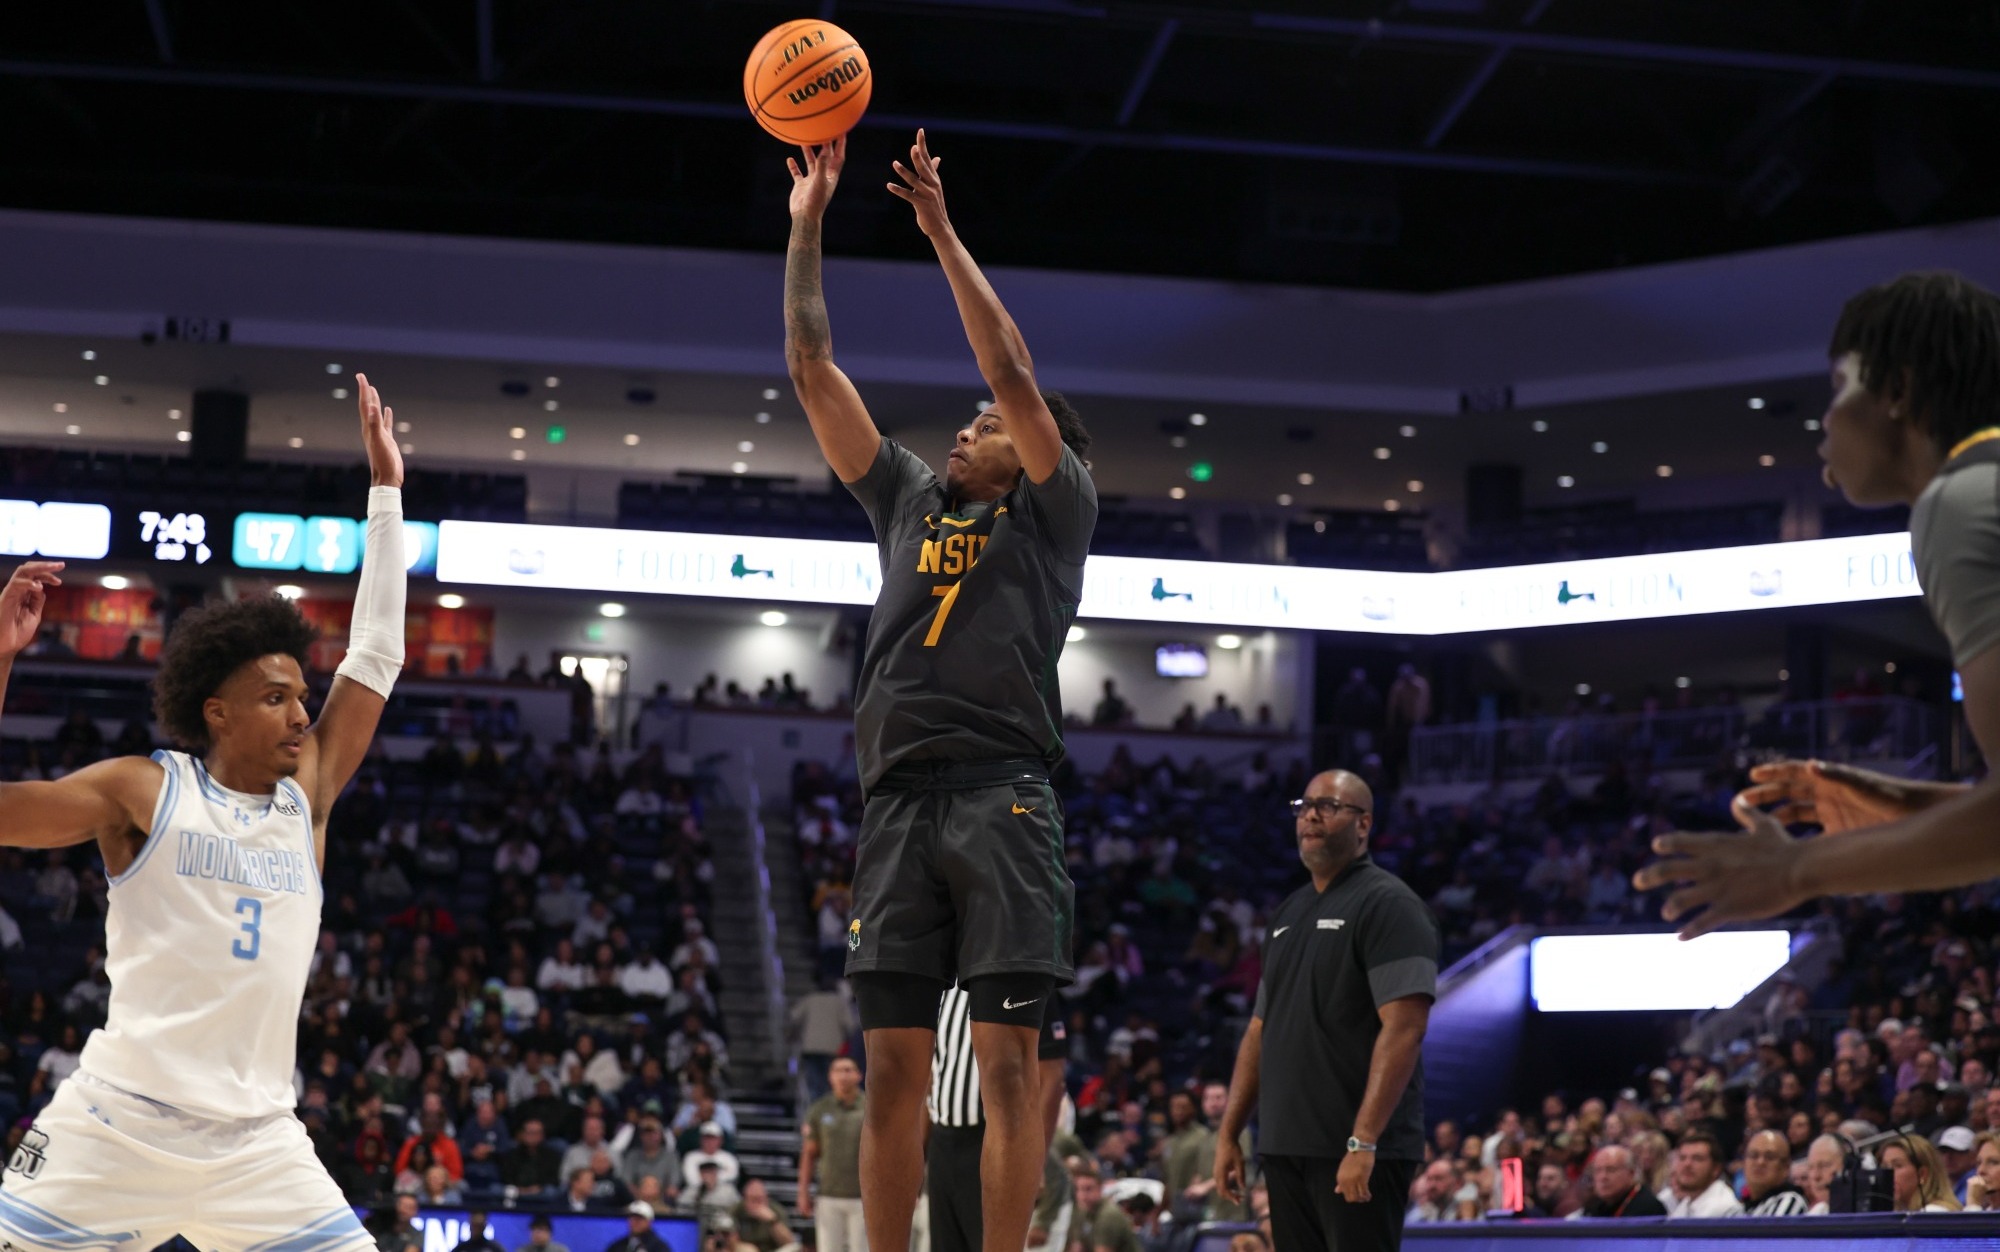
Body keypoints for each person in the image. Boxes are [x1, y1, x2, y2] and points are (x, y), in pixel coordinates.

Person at [0, 378, 406, 1250]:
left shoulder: (309, 797)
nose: (304, 714)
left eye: (303, 696)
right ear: (216, 712)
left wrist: (387, 491)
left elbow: (376, 651)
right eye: (276, 697)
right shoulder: (145, 791)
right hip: (114, 1129)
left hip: (259, 1148)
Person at [784, 129, 1097, 1252]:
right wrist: (808, 224)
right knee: (890, 1069)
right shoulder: (912, 500)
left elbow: (1009, 372)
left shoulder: (1055, 514)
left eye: (982, 429)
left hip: (1003, 794)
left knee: (1009, 1065)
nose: (962, 430)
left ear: (1032, 447)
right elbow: (814, 373)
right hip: (895, 802)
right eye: (963, 426)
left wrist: (937, 228)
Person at [1636, 273, 2000, 934]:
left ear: (1898, 391)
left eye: (1839, 388)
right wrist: (1905, 806)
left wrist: (1796, 870)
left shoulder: (1961, 501)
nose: (1825, 421)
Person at [1214, 769, 1438, 1252]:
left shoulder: (1389, 905)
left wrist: (1363, 1141)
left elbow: (1405, 1029)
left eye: (1330, 806)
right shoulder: (1288, 913)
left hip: (1355, 1150)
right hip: (1285, 1145)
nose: (1312, 814)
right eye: (1305, 806)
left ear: (1364, 825)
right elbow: (1259, 1029)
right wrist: (1230, 1133)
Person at [924, 982, 1069, 1252]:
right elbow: (932, 1072)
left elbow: (1052, 1078)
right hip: (941, 1142)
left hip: (992, 1140)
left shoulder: (1026, 977)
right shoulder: (941, 982)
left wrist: (1037, 1163)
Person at [798, 1056, 866, 1252]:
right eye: (838, 1070)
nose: (843, 1075)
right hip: (828, 1195)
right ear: (830, 1077)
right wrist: (803, 1191)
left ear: (858, 1075)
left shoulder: (870, 1107)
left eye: (848, 1070)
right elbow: (809, 1154)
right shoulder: (819, 1109)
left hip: (862, 1196)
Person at [1660, 1132, 1744, 1218]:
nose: (1687, 1164)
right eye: (1682, 1158)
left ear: (1716, 1169)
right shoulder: (1686, 1202)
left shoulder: (1725, 1209)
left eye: (1697, 1158)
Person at [1574, 1144, 1666, 1218]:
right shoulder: (1593, 1205)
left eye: (1611, 1170)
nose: (1603, 1177)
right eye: (1598, 1170)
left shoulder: (1649, 1207)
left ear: (1631, 1173)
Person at [1883, 1135, 1963, 1212]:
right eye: (1885, 1167)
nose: (1887, 1174)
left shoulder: (1933, 1212)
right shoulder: (1903, 1211)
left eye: (1898, 1165)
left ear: (1922, 1174)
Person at [1741, 1129, 1809, 1216]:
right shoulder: (1737, 1210)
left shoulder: (1790, 1201)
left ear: (1786, 1167)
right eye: (1754, 1155)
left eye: (1769, 1157)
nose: (1760, 1162)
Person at [606, 1201, 671, 1252]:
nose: (635, 1222)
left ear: (649, 1221)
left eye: (639, 1219)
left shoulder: (659, 1248)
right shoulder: (617, 1246)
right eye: (632, 1218)